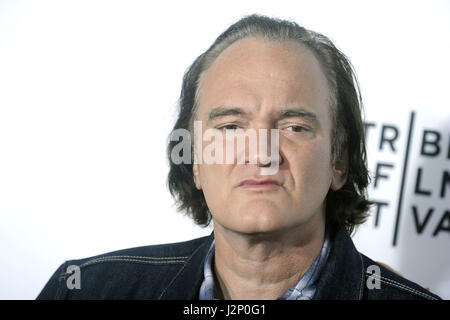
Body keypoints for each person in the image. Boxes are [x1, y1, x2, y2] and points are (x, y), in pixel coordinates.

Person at [37, 14, 441, 300]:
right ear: (195, 159)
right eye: (230, 127)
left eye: (294, 127)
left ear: (339, 160)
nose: (261, 153)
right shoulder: (86, 290)